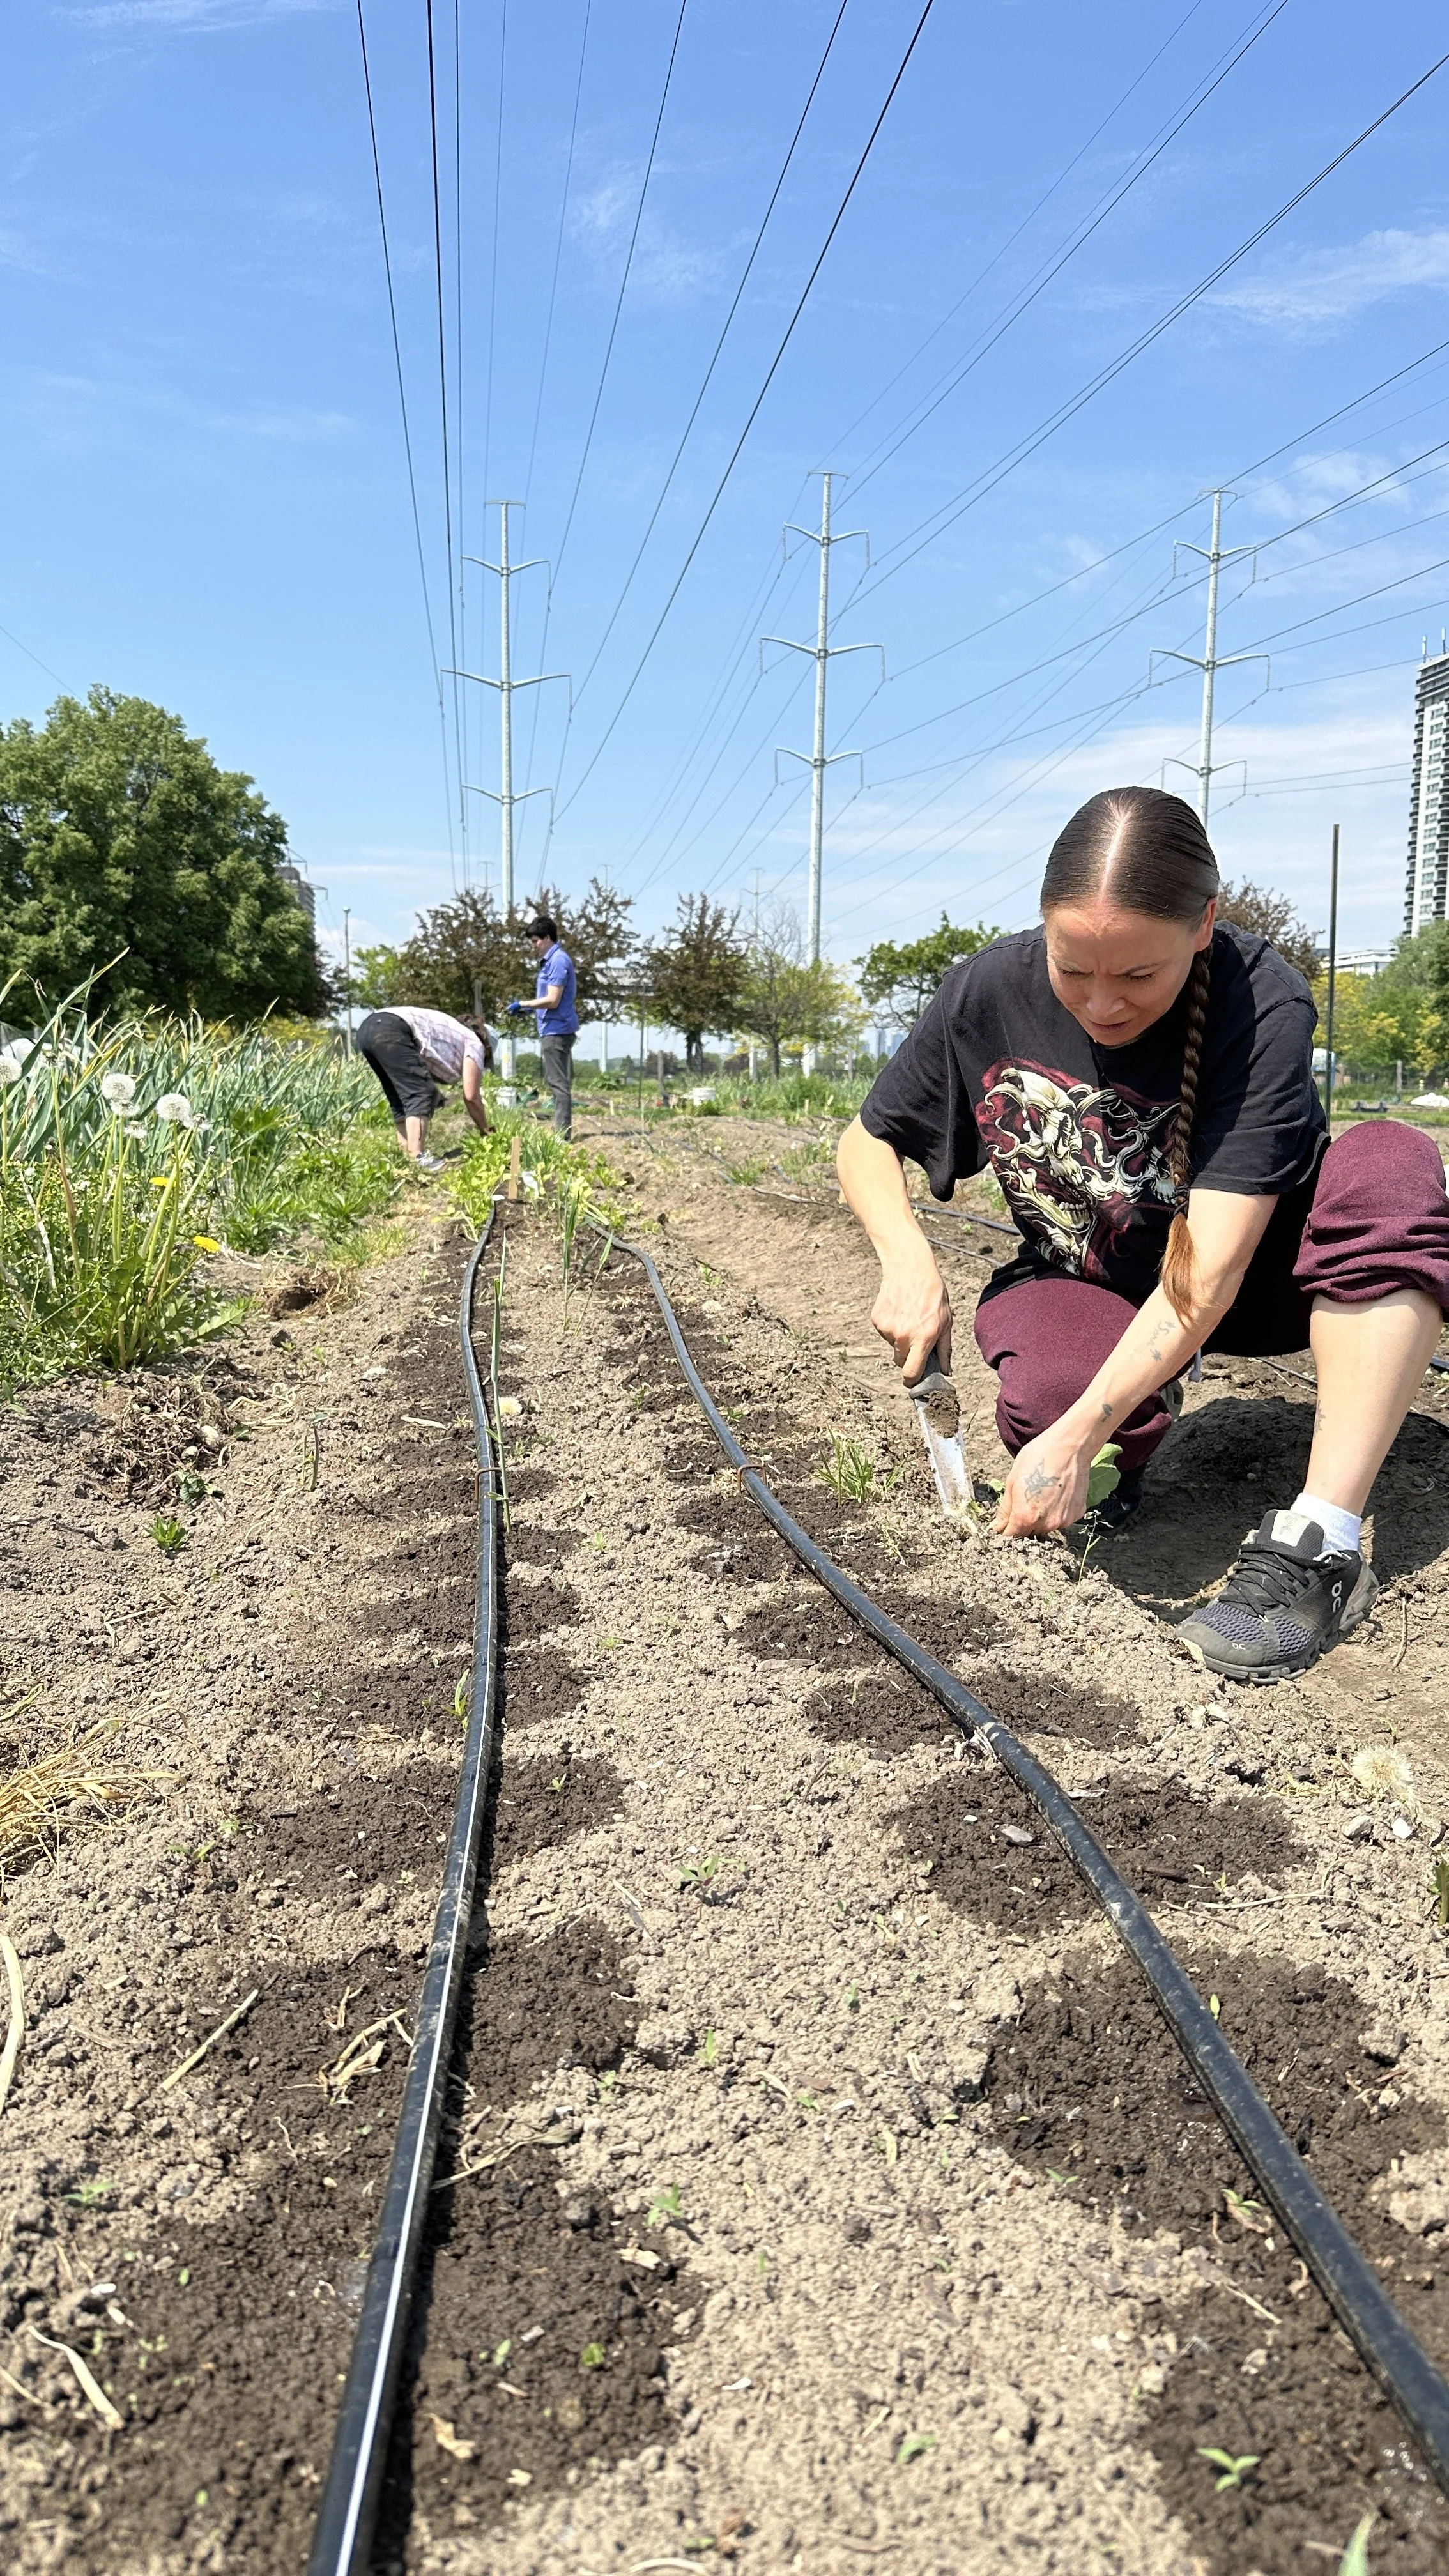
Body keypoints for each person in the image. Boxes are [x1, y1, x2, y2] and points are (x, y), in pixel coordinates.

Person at [836, 785, 1449, 1684]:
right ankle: (1131, 1441)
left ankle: (1322, 1543)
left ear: (1203, 924)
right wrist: (905, 1254)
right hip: (1095, 1274)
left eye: (1136, 976)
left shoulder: (1258, 999)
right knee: (1048, 1400)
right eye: (1072, 969)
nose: (1101, 1004)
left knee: (1390, 1161)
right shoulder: (984, 992)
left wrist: (1082, 1439)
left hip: (1262, 1283)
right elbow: (866, 1141)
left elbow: (1208, 1275)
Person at [356, 1004, 493, 1168]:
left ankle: (407, 1158)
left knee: (401, 1098)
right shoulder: (475, 1043)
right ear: (487, 1045)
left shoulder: (452, 1032)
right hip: (393, 1028)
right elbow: (471, 1097)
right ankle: (418, 1158)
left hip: (368, 1029)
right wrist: (486, 1131)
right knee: (421, 1093)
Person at [507, 914, 580, 1136]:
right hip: (553, 1028)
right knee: (557, 1082)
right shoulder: (552, 961)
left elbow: (553, 999)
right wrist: (527, 1009)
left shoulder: (558, 961)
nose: (534, 947)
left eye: (535, 942)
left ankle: (562, 1136)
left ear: (547, 938)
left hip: (557, 1030)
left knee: (558, 1084)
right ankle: (562, 1132)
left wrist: (524, 1003)